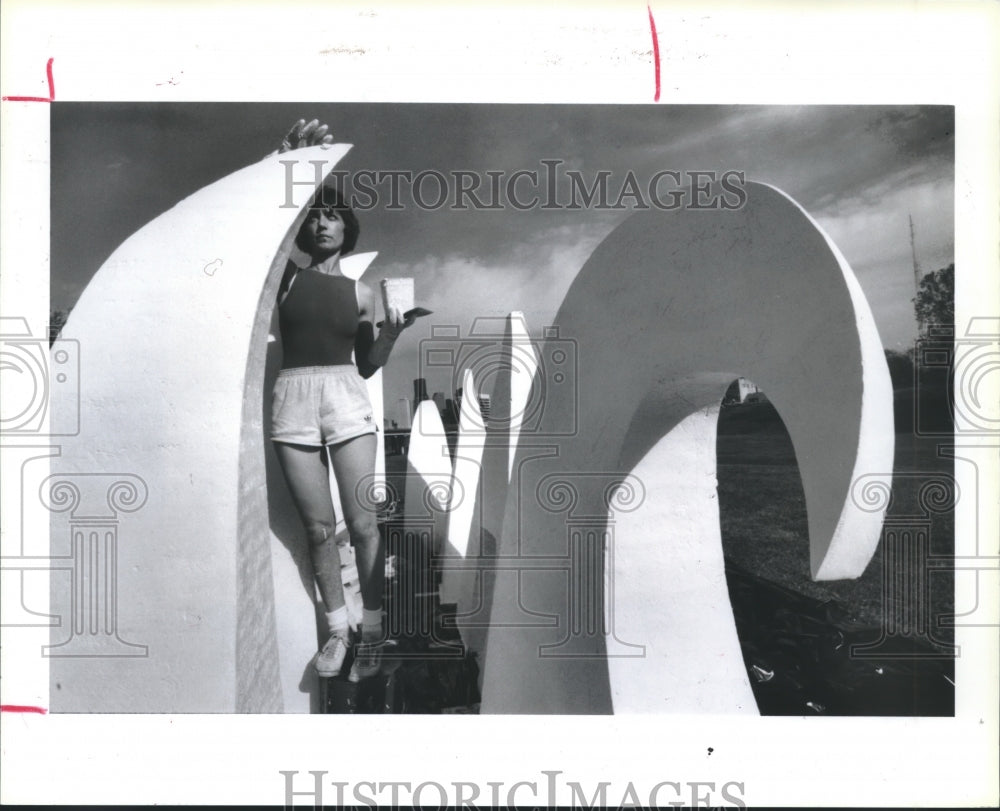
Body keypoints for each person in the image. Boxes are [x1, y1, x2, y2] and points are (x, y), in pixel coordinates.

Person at [271, 119, 414, 682]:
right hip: (292, 399)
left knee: (364, 525)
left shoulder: (358, 292)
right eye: (314, 215)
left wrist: (394, 332)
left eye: (332, 214)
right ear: (303, 229)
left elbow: (367, 363)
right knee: (316, 529)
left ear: (346, 227)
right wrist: (285, 165)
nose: (322, 222)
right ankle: (338, 632)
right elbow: (268, 229)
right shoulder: (283, 279)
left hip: (346, 398)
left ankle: (373, 634)